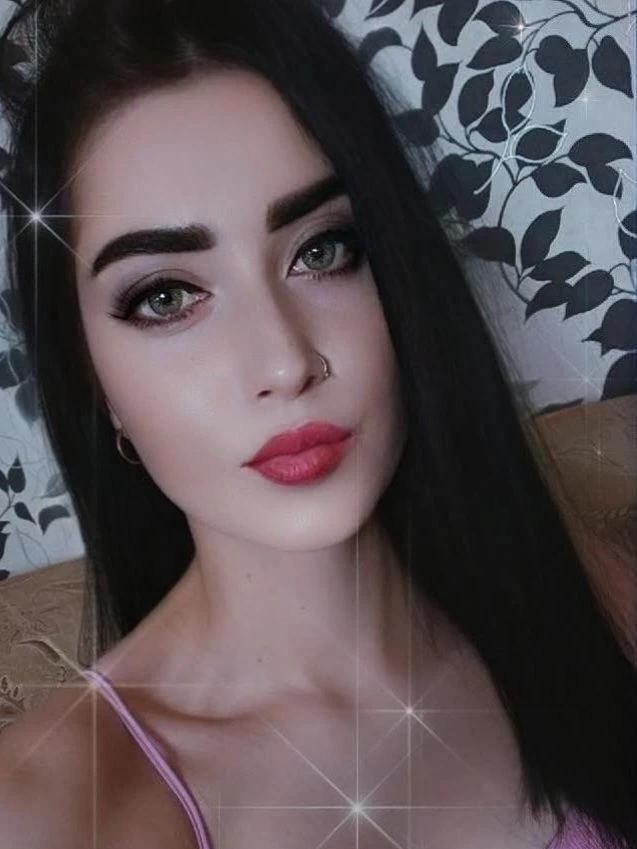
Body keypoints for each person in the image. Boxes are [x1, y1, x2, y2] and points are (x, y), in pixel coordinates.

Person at [0, 1, 635, 847]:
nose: (284, 361)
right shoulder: (49, 811)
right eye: (166, 296)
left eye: (323, 249)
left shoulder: (581, 600)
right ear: (93, 378)